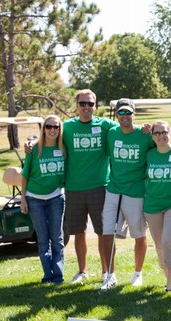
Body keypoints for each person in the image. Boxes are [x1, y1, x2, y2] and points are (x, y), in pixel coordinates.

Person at [99, 98, 155, 290]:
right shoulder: (111, 133)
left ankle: (137, 273)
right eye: (121, 113)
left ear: (134, 114)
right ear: (116, 114)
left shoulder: (145, 134)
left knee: (139, 234)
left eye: (128, 113)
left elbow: (164, 144)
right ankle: (110, 275)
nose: (125, 116)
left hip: (136, 192)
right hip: (113, 190)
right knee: (107, 233)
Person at [63, 89, 117, 284]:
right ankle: (82, 271)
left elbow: (127, 129)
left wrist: (146, 129)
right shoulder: (66, 127)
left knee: (103, 232)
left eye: (90, 104)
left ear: (95, 106)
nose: (86, 107)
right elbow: (48, 138)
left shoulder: (106, 126)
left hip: (100, 188)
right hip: (74, 188)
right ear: (76, 105)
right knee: (78, 232)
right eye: (82, 103)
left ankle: (106, 272)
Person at [143, 120, 171, 291]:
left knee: (167, 238)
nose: (161, 136)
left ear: (170, 133)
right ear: (153, 136)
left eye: (164, 132)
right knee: (159, 244)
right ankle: (168, 276)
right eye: (157, 133)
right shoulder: (149, 155)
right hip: (153, 204)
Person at [21, 115, 65, 284]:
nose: (52, 130)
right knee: (42, 239)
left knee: (57, 238)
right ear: (43, 128)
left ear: (60, 129)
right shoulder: (34, 149)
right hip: (34, 199)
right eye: (48, 126)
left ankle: (58, 276)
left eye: (56, 127)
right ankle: (47, 275)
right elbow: (25, 176)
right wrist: (23, 199)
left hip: (56, 197)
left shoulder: (64, 148)